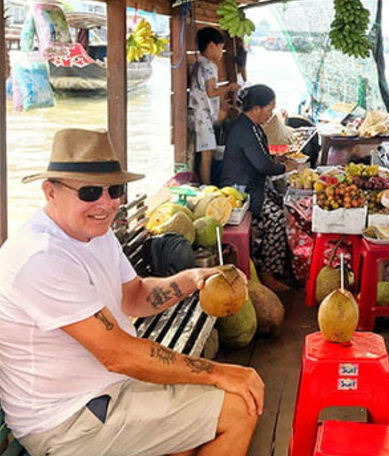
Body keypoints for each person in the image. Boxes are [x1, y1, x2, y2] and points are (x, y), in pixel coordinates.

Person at [0, 129, 264, 456]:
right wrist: (220, 372)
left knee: (195, 434)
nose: (106, 203)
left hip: (106, 390)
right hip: (67, 419)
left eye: (115, 190)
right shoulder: (42, 257)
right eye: (91, 192)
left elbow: (135, 296)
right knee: (240, 408)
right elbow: (119, 355)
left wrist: (193, 279)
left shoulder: (95, 234)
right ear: (50, 192)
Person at [221, 85, 298, 292]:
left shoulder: (251, 127)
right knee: (275, 217)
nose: (271, 114)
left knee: (284, 206)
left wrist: (277, 159)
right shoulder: (245, 130)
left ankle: (280, 266)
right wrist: (284, 166)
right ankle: (267, 274)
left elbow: (261, 158)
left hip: (253, 185)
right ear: (256, 109)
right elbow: (263, 166)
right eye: (269, 109)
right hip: (241, 191)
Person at [190, 27, 240, 186]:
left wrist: (221, 103)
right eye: (221, 48)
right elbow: (211, 91)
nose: (221, 52)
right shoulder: (210, 66)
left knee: (207, 154)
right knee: (207, 156)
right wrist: (230, 88)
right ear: (211, 45)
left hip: (198, 113)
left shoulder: (200, 63)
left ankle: (205, 184)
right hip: (203, 116)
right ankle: (206, 187)